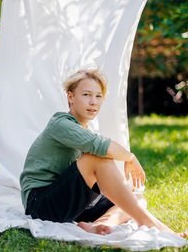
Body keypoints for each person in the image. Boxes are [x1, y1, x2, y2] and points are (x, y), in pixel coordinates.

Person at [20, 68, 187, 237]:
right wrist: (130, 157)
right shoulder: (60, 123)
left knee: (136, 198)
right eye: (86, 95)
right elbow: (101, 147)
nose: (93, 102)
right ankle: (151, 224)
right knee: (97, 158)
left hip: (69, 203)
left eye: (98, 96)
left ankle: (100, 225)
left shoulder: (83, 130)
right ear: (71, 97)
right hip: (40, 205)